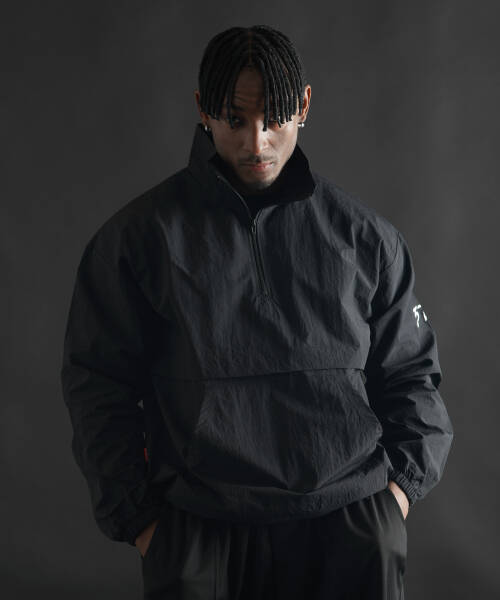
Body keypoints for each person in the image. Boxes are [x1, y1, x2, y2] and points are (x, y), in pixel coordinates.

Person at [61, 24, 454, 599]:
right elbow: (98, 386)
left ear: (305, 106)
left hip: (347, 523)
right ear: (204, 110)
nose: (256, 142)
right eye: (235, 119)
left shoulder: (367, 238)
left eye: (275, 118)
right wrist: (143, 523)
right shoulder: (137, 241)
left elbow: (413, 375)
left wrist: (393, 504)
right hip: (201, 529)